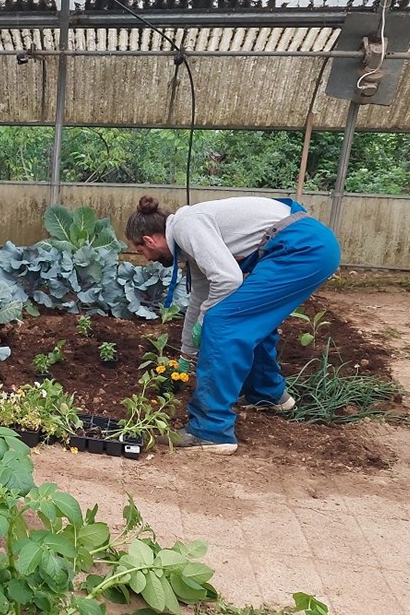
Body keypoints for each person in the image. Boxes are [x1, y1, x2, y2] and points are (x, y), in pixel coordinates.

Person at [126, 194, 341, 455]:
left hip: (300, 249)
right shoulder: (189, 234)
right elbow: (200, 298)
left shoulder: (187, 225)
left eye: (142, 251)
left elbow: (228, 280)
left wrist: (206, 323)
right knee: (248, 320)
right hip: (309, 246)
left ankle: (211, 429)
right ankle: (267, 393)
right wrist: (186, 354)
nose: (147, 258)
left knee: (223, 323)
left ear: (149, 240)